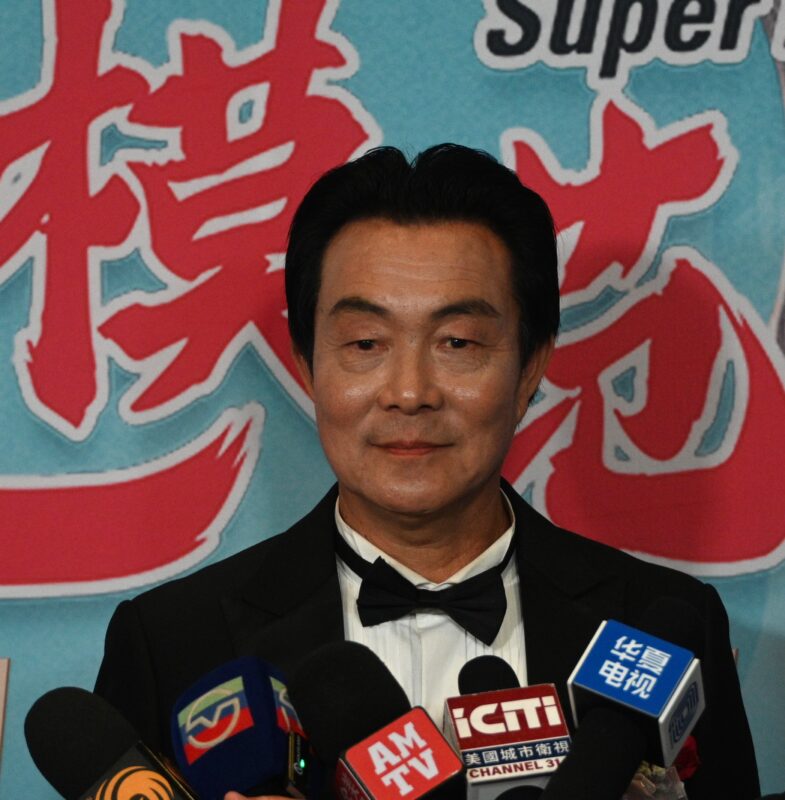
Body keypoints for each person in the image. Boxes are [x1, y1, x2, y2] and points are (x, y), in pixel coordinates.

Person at [95, 144, 760, 799]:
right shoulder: (172, 643)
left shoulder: (659, 625)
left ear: (529, 367)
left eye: (457, 342)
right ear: (307, 366)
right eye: (365, 343)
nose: (409, 392)